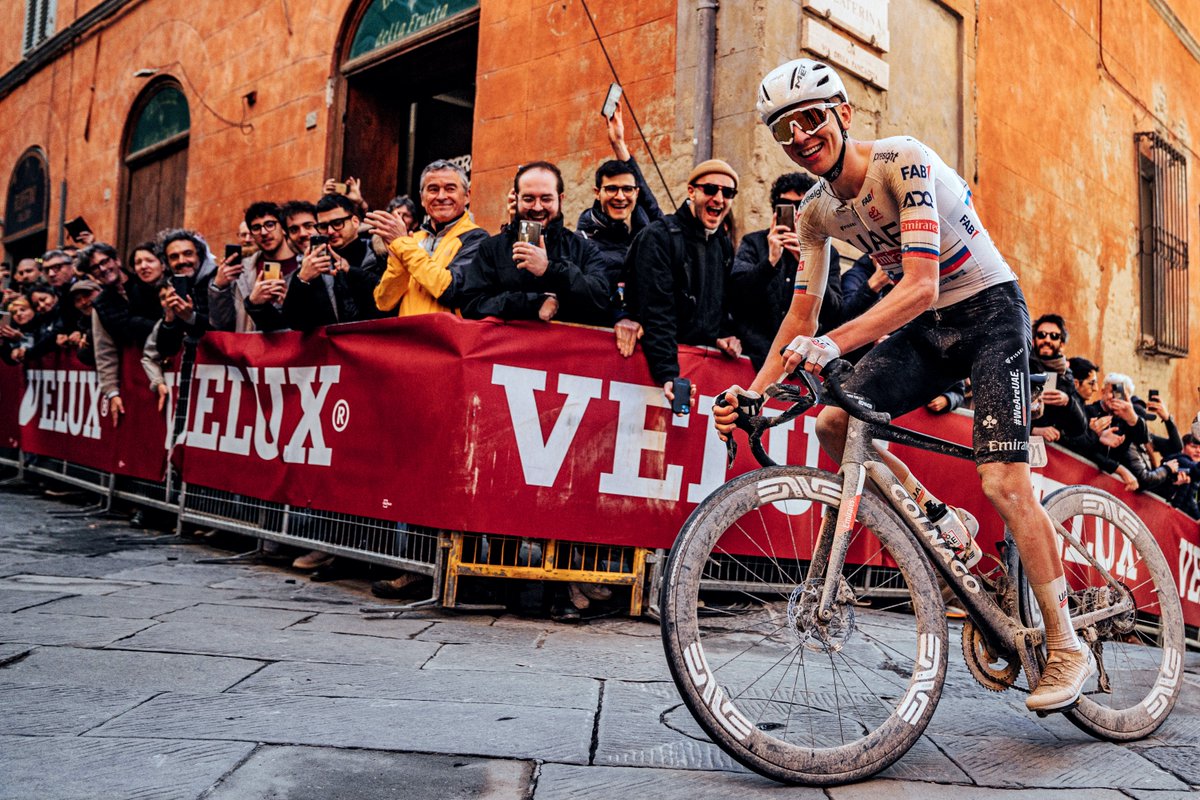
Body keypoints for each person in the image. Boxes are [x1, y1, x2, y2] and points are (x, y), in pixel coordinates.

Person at [714, 58, 1096, 712]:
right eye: (786, 130)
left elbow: (918, 284)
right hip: (928, 326)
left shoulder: (903, 161)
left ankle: (1065, 644)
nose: (803, 136)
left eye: (812, 118)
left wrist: (834, 343)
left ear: (844, 115)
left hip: (988, 310)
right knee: (832, 423)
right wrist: (757, 392)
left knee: (1004, 480)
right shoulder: (813, 212)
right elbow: (799, 315)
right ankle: (944, 523)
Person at [625, 158, 742, 409]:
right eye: (710, 189)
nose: (719, 199)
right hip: (653, 374)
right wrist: (668, 373)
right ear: (691, 191)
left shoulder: (722, 243)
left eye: (728, 192)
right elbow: (657, 311)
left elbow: (716, 306)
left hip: (692, 374)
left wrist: (722, 335)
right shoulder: (659, 236)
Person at [451, 161, 610, 326]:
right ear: (517, 199)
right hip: (508, 350)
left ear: (560, 199)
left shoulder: (584, 248)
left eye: (546, 198)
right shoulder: (491, 248)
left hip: (566, 350)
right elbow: (471, 304)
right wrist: (531, 304)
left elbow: (601, 300)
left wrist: (550, 270)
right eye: (529, 199)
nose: (537, 207)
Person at [727, 172, 843, 369]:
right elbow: (736, 296)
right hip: (754, 359)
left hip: (799, 362)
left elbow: (835, 312)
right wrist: (770, 261)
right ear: (776, 209)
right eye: (787, 205)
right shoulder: (754, 243)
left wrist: (808, 263)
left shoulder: (827, 252)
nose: (796, 212)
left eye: (801, 205)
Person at [575, 105, 666, 344]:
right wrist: (621, 316)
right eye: (611, 189)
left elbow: (659, 218)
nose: (620, 196)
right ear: (597, 193)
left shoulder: (643, 236)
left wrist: (620, 146)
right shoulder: (581, 241)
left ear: (636, 194)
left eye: (627, 189)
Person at [368, 160, 488, 318]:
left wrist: (403, 245)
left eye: (450, 189)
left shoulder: (477, 238)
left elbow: (451, 290)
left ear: (467, 196)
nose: (441, 196)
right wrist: (399, 258)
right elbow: (383, 302)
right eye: (433, 189)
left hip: (446, 339)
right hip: (409, 338)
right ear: (422, 198)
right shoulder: (411, 239)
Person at [209, 202, 294, 332]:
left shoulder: (304, 267)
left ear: (283, 228)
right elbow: (221, 325)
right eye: (256, 228)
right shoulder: (241, 270)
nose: (264, 232)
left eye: (270, 225)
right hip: (249, 348)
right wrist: (219, 288)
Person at [1029, 314, 1086, 444]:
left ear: (1062, 344)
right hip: (1018, 449)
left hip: (1049, 456)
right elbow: (1003, 411)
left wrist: (1068, 402)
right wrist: (1034, 430)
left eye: (1054, 336)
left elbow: (1079, 429)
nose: (1047, 340)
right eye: (1041, 335)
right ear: (1034, 340)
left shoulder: (1067, 377)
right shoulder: (1021, 367)